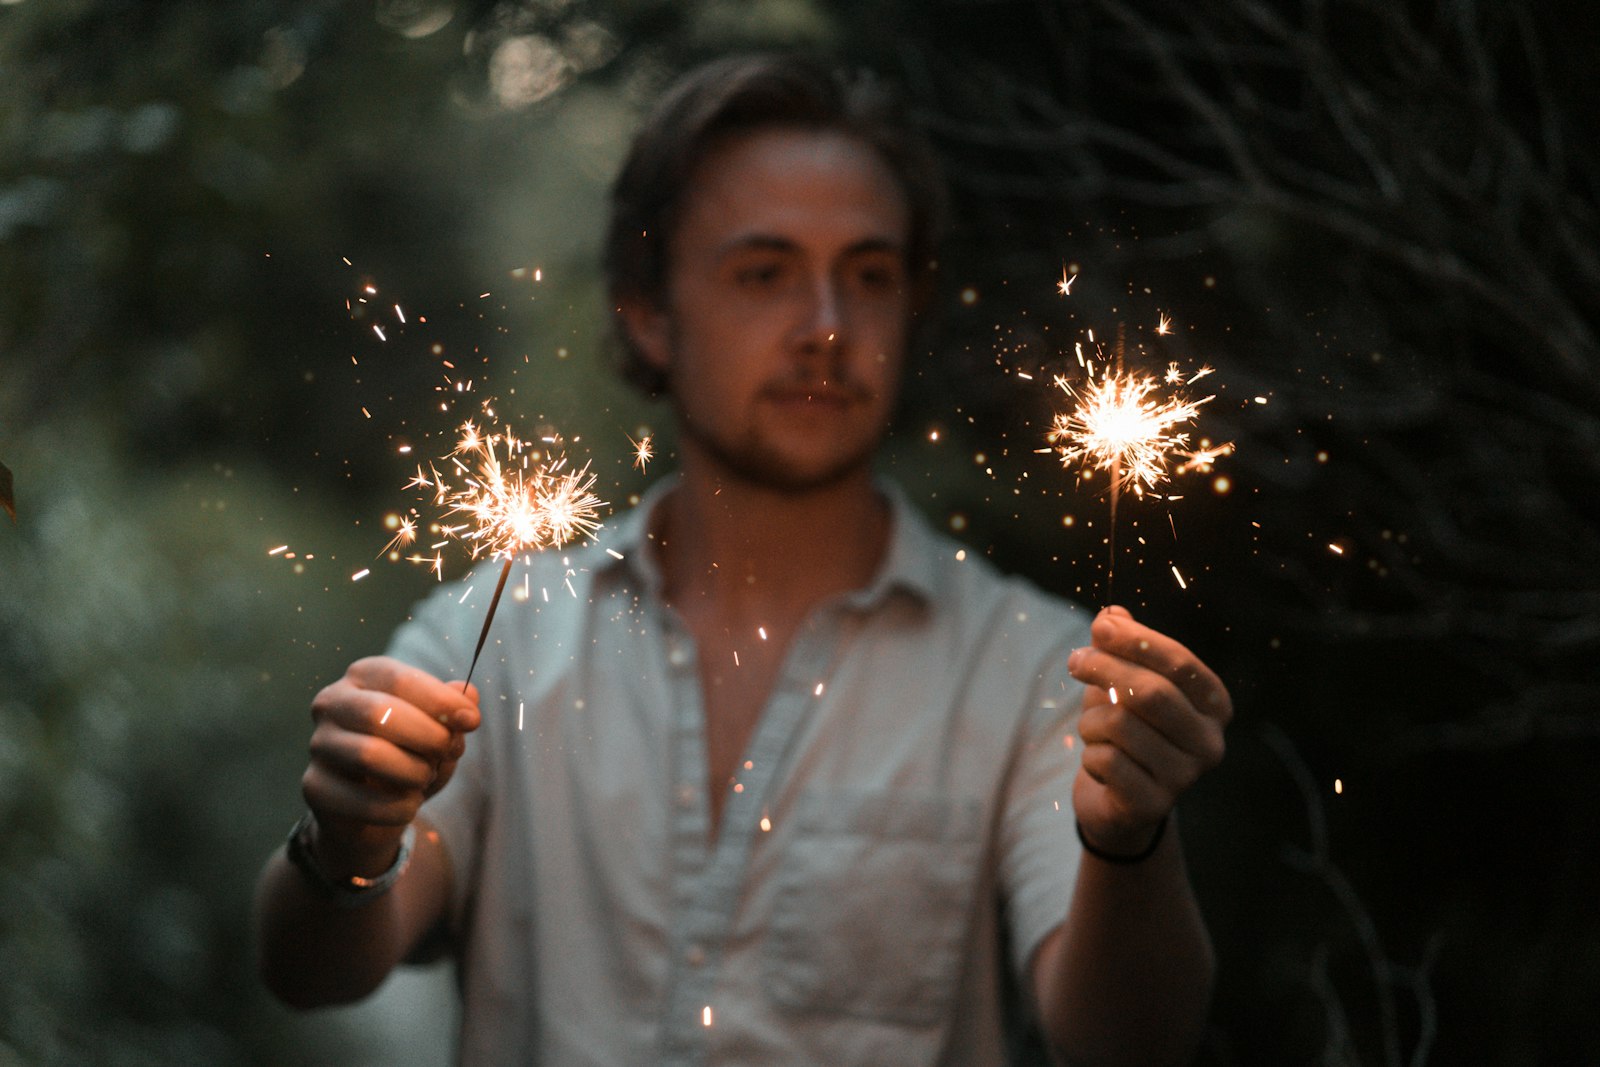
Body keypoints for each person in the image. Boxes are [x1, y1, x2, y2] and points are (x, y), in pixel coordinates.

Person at [254, 53, 1232, 1066]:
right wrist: (345, 844)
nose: (826, 327)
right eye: (763, 272)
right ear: (647, 307)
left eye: (868, 274)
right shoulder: (492, 638)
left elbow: (1125, 1045)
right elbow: (311, 968)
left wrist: (1129, 840)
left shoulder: (1038, 668)